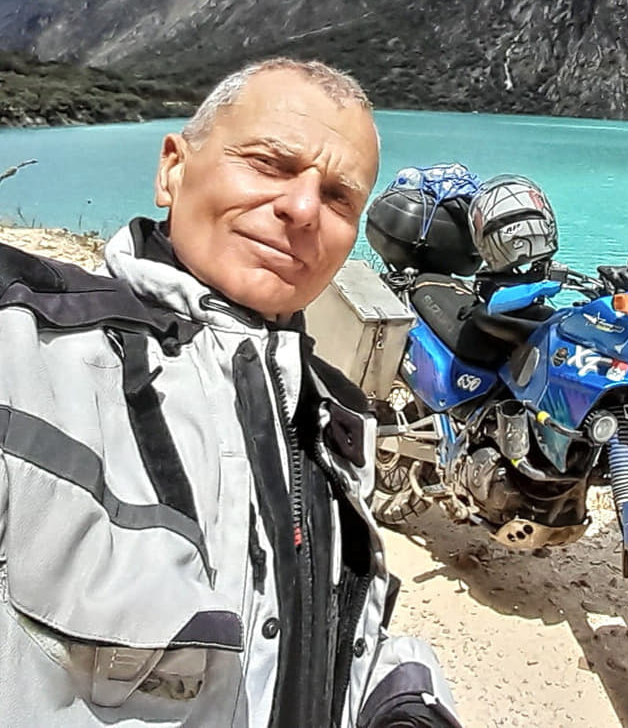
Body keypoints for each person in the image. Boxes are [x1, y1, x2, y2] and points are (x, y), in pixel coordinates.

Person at [0, 58, 462, 727]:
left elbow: (317, 636)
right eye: (270, 163)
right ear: (172, 168)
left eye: (338, 196)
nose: (303, 207)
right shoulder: (32, 349)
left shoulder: (333, 422)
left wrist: (406, 696)